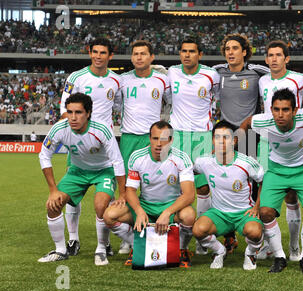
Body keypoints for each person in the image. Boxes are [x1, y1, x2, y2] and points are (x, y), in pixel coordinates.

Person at [240, 88, 303, 274]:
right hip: (276, 170)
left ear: (295, 110)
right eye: (276, 109)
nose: (280, 115)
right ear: (271, 109)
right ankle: (279, 256)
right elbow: (247, 123)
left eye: (285, 110)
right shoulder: (263, 120)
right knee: (265, 212)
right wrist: (243, 150)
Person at [38, 93, 127, 266]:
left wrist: (122, 194)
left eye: (78, 112)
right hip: (77, 172)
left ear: (88, 113)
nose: (73, 117)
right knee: (52, 205)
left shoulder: (101, 129)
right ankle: (60, 251)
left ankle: (101, 249)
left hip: (103, 170)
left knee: (101, 205)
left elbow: (117, 161)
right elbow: (44, 155)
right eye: (70, 112)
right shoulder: (59, 128)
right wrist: (53, 190)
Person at [59, 37, 124, 257]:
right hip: (79, 145)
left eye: (102, 53)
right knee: (71, 196)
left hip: (104, 147)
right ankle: (73, 240)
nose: (98, 56)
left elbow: (119, 107)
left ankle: (103, 244)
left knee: (102, 201)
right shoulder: (76, 77)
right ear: (90, 52)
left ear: (110, 56)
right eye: (94, 52)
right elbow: (64, 109)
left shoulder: (116, 81)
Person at [103, 121, 196, 268]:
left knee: (189, 215)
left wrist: (167, 212)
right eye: (155, 138)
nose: (159, 144)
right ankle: (137, 245)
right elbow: (131, 190)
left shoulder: (181, 158)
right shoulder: (137, 157)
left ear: (171, 140)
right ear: (149, 138)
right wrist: (139, 211)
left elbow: (189, 195)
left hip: (171, 206)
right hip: (146, 205)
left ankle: (181, 249)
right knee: (109, 215)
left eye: (164, 139)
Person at [212, 33, 269, 255]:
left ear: (244, 51)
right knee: (223, 181)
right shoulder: (217, 72)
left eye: (235, 48)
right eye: (227, 48)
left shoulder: (256, 72)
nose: (230, 52)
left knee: (253, 185)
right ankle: (229, 236)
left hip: (249, 136)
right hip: (224, 135)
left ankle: (258, 234)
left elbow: (281, 75)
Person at [257, 40, 303, 262]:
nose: (274, 59)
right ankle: (266, 245)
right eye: (270, 55)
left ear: (286, 59)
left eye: (278, 55)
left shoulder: (299, 79)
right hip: (267, 139)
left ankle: (293, 246)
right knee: (261, 190)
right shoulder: (262, 80)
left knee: (292, 196)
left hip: (295, 139)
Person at [167, 38, 220, 254]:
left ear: (200, 54)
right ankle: (178, 239)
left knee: (203, 187)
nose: (187, 55)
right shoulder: (171, 73)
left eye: (192, 51)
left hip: (202, 136)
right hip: (177, 136)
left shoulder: (211, 75)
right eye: (183, 51)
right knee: (178, 188)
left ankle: (201, 236)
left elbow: (216, 99)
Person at [192, 120, 264, 270]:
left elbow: (264, 180)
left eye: (226, 137)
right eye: (217, 137)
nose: (221, 141)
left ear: (234, 140)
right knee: (198, 230)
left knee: (255, 232)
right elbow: (188, 170)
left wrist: (257, 207)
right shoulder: (205, 162)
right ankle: (219, 251)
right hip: (219, 214)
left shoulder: (247, 163)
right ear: (212, 140)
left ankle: (250, 253)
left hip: (244, 213)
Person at [119, 40, 170, 176]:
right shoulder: (122, 79)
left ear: (152, 57)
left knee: (152, 179)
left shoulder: (162, 80)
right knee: (126, 178)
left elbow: (171, 103)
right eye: (135, 54)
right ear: (131, 58)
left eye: (143, 54)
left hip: (152, 137)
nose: (139, 57)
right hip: (129, 137)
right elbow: (117, 105)